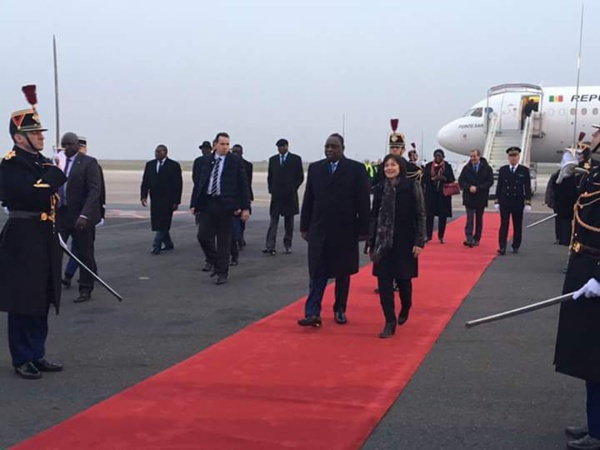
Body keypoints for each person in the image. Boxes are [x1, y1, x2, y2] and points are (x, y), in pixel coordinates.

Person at [0, 85, 67, 379]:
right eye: (36, 133)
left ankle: (37, 352)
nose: (42, 136)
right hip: (22, 237)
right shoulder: (10, 164)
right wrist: (54, 173)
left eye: (41, 132)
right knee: (23, 298)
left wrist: (50, 171)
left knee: (41, 297)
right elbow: (33, 195)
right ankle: (22, 357)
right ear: (19, 137)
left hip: (43, 235)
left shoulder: (40, 162)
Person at [554, 123, 600, 450]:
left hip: (596, 271)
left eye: (598, 134)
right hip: (584, 270)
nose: (593, 137)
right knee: (588, 356)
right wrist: (566, 174)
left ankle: (598, 432)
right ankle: (595, 421)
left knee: (597, 357)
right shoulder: (594, 172)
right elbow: (567, 205)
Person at [298, 133, 370, 327]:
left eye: (334, 146)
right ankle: (312, 312)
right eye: (327, 146)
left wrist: (365, 229)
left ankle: (340, 309)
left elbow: (363, 201)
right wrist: (304, 226)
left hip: (345, 229)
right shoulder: (315, 168)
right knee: (317, 272)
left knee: (342, 273)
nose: (329, 149)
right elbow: (308, 200)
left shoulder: (356, 169)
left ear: (342, 148)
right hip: (319, 228)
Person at [369, 154, 426, 338]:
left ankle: (406, 306)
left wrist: (419, 241)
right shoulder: (379, 188)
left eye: (393, 165)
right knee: (384, 283)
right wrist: (371, 242)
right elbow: (374, 217)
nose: (389, 168)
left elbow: (420, 214)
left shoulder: (411, 187)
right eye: (386, 165)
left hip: (405, 242)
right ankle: (389, 321)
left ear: (400, 167)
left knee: (404, 282)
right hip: (383, 243)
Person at [193, 132, 251, 285]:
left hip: (226, 205)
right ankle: (216, 262)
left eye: (227, 144)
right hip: (208, 203)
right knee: (203, 236)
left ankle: (222, 272)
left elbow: (243, 185)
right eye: (222, 144)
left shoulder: (235, 161)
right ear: (215, 145)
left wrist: (245, 208)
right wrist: (195, 203)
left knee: (224, 240)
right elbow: (200, 182)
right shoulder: (206, 161)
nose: (225, 147)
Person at [56, 132, 103, 303]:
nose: (67, 148)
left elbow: (94, 190)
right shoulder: (58, 162)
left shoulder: (88, 162)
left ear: (77, 145)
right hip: (62, 214)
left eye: (69, 144)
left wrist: (85, 214)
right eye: (64, 145)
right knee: (55, 250)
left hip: (81, 215)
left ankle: (85, 288)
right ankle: (53, 287)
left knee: (84, 253)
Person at [264, 138, 304, 255]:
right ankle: (270, 246)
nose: (280, 149)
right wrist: (271, 189)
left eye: (282, 147)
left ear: (287, 146)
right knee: (273, 221)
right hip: (276, 196)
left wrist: (293, 188)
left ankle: (287, 244)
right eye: (278, 147)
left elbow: (300, 176)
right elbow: (270, 176)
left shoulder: (295, 159)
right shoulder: (273, 160)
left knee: (289, 222)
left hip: (289, 196)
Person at [140, 145, 183, 255]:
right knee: (158, 222)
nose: (157, 154)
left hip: (168, 199)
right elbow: (145, 181)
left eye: (159, 152)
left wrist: (176, 201)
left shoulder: (173, 165)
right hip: (155, 199)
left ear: (165, 152)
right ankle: (168, 243)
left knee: (164, 222)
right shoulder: (150, 165)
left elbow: (178, 184)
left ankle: (156, 245)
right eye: (156, 152)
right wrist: (143, 196)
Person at [494, 146, 532, 255]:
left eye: (515, 156)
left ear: (519, 157)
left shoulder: (524, 170)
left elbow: (527, 187)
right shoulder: (503, 170)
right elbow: (499, 186)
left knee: (517, 225)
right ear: (508, 157)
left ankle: (516, 245)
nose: (513, 158)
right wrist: (497, 201)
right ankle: (502, 247)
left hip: (517, 201)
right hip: (505, 201)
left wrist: (527, 202)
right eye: (511, 156)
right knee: (504, 224)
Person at [458, 149, 494, 247]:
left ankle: (477, 238)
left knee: (479, 219)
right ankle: (469, 238)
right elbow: (461, 181)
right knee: (469, 218)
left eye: (474, 156)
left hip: (480, 197)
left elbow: (490, 182)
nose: (473, 158)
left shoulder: (487, 168)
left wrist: (478, 188)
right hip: (469, 197)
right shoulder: (466, 168)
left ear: (479, 156)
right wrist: (469, 187)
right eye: (471, 156)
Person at [191, 140, 217, 272]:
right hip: (203, 202)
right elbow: (196, 183)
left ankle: (219, 260)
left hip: (215, 203)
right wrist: (194, 203)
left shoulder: (215, 161)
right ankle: (210, 259)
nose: (204, 151)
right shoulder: (198, 162)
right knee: (204, 235)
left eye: (207, 148)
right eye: (203, 149)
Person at [423, 149, 455, 243]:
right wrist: (433, 179)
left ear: (443, 157)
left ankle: (441, 236)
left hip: (443, 195)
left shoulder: (447, 166)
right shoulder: (429, 166)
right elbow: (424, 179)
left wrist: (444, 178)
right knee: (429, 216)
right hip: (431, 194)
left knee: (442, 216)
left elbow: (452, 179)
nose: (438, 157)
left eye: (440, 156)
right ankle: (428, 235)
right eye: (436, 156)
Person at [230, 144, 253, 264]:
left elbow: (247, 184)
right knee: (233, 225)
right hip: (231, 200)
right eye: (233, 152)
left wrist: (247, 201)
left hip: (242, 197)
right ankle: (237, 240)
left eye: (237, 152)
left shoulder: (248, 165)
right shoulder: (228, 164)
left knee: (241, 222)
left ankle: (239, 238)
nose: (235, 154)